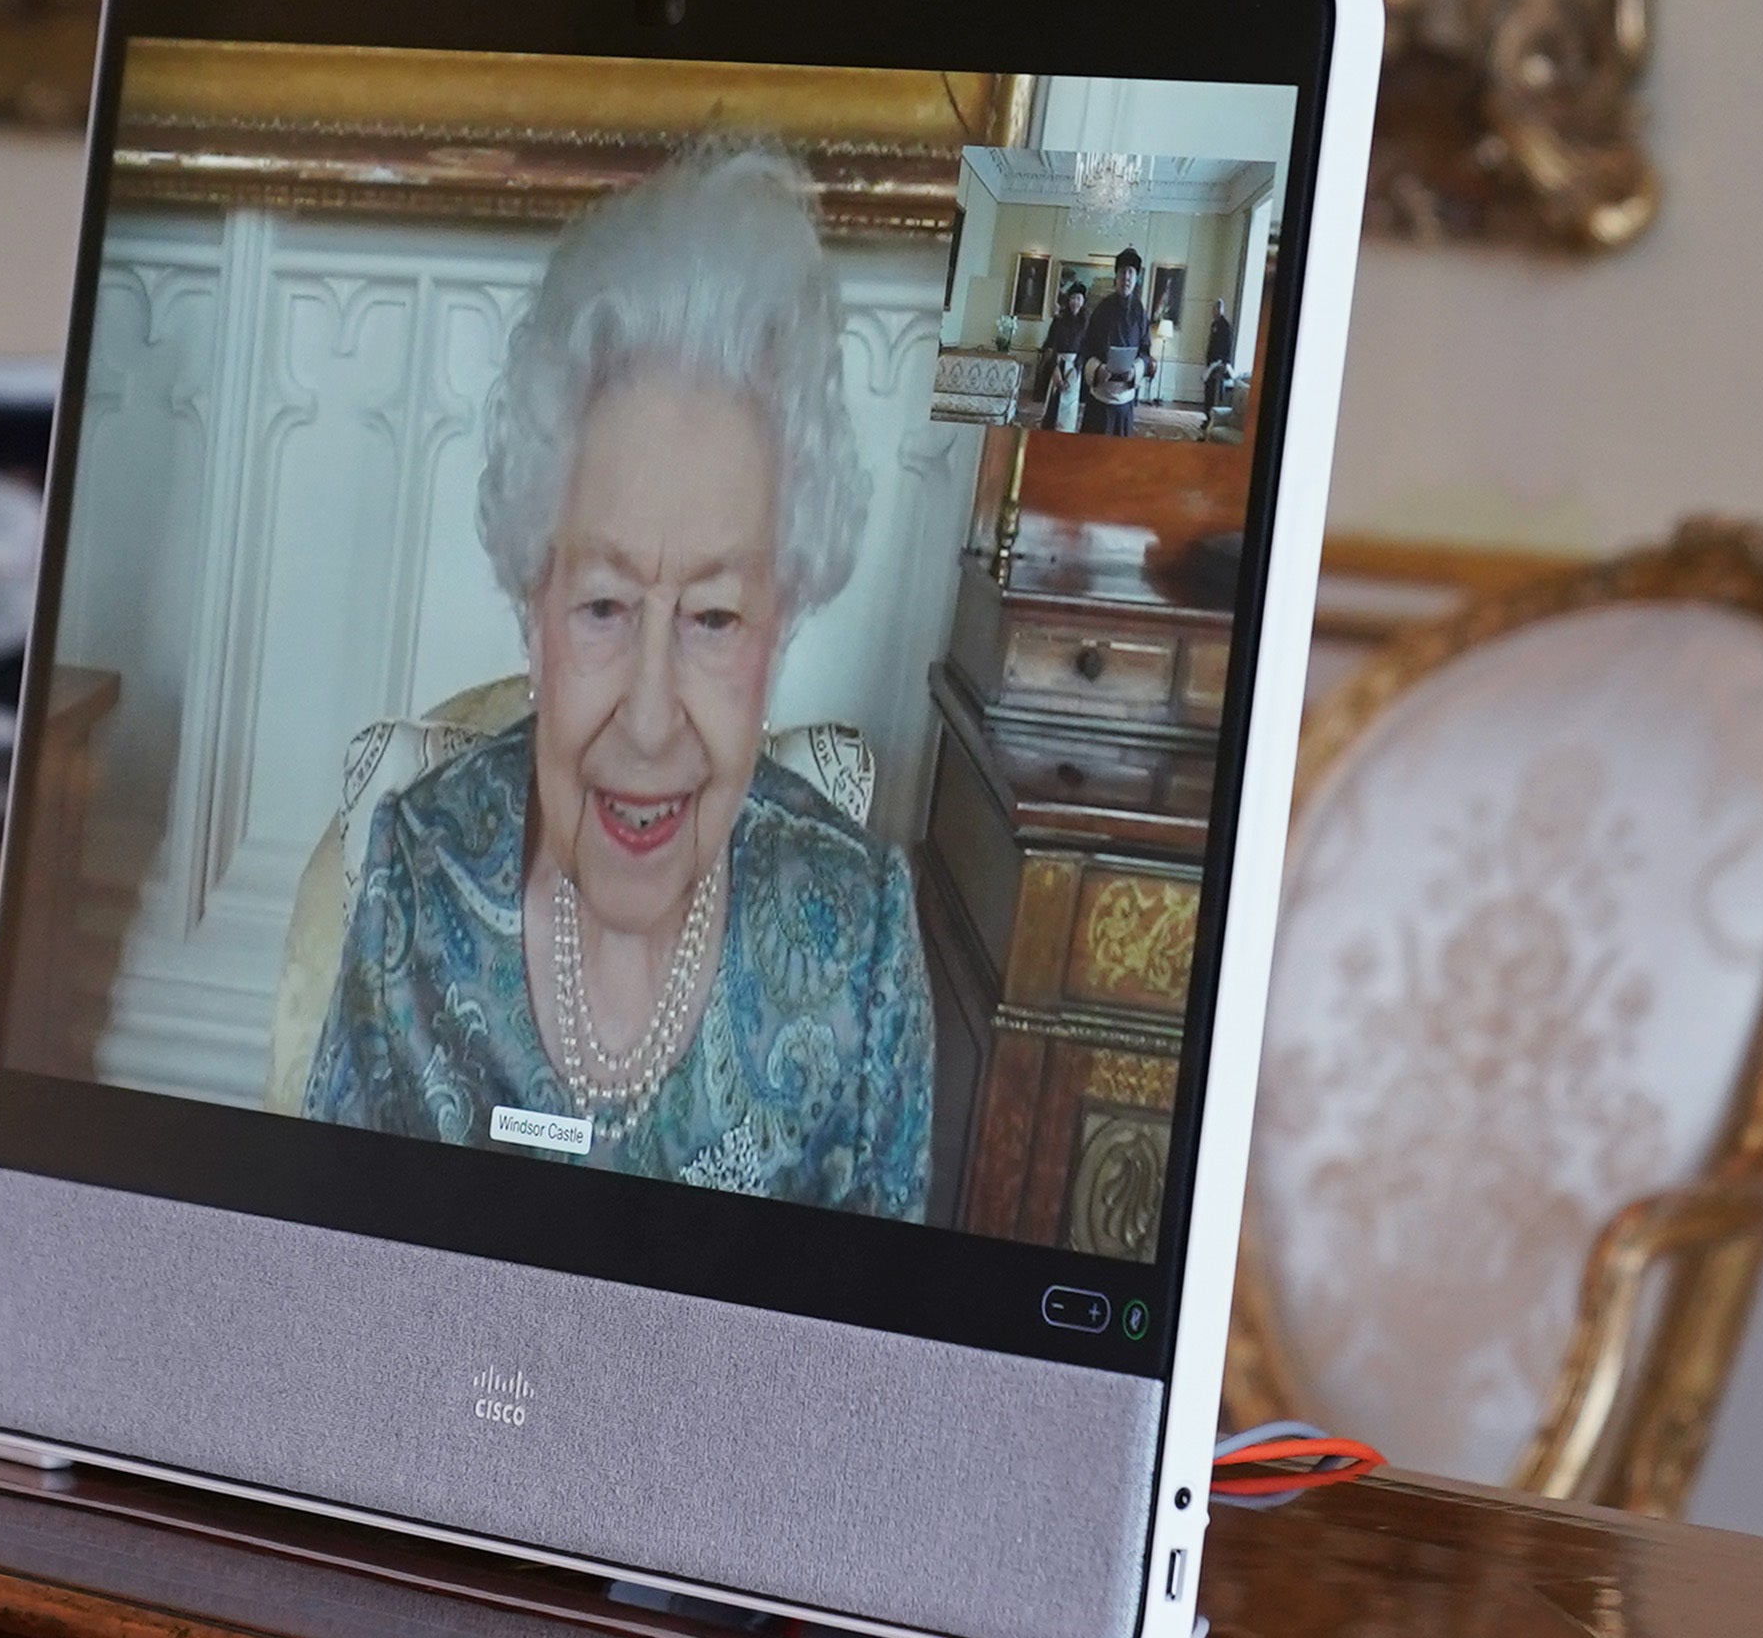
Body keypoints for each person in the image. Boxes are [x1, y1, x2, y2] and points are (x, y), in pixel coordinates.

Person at [303, 144, 935, 1219]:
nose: (648, 722)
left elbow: (877, 1375)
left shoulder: (859, 949)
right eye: (602, 607)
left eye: (714, 618)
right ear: (532, 612)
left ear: (778, 631)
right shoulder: (418, 880)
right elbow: (324, 1298)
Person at [1077, 246, 1157, 436]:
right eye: (1122, 272)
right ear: (1116, 277)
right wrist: (1097, 370)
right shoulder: (1101, 309)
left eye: (1131, 272)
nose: (1126, 277)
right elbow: (1086, 347)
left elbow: (1145, 352)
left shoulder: (1140, 312)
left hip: (1124, 400)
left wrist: (1135, 371)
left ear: (1136, 278)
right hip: (1100, 398)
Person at [1036, 273, 1091, 422]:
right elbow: (1051, 345)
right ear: (1068, 299)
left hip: (1075, 367)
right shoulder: (1058, 320)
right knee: (1054, 403)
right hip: (1058, 364)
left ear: (1083, 301)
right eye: (1073, 298)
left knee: (1069, 408)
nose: (1075, 302)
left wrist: (1076, 370)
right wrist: (1055, 371)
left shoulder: (1086, 323)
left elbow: (1085, 349)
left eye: (1078, 299)